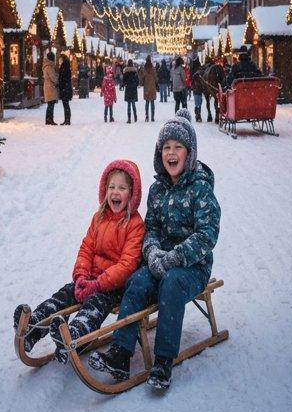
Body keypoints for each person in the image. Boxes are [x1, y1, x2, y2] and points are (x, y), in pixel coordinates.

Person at [89, 109, 220, 390]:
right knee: (137, 280)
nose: (171, 153)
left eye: (178, 147)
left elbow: (207, 235)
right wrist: (152, 254)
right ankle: (121, 353)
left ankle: (163, 361)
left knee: (171, 284)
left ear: (190, 153)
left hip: (192, 266)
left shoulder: (200, 188)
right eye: (166, 148)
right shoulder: (157, 189)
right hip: (160, 260)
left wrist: (173, 259)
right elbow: (152, 229)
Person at [13, 160, 145, 364]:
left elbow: (127, 264)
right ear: (104, 190)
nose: (115, 192)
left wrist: (99, 284)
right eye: (111, 187)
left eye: (122, 187)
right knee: (64, 295)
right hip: (89, 279)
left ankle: (75, 337)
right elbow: (86, 248)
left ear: (132, 193)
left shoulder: (135, 225)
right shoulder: (98, 218)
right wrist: (81, 276)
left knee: (93, 306)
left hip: (113, 287)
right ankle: (32, 328)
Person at [43, 51, 58, 125]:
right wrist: (57, 80)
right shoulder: (49, 67)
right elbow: (53, 77)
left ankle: (48, 119)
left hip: (48, 86)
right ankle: (50, 120)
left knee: (50, 104)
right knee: (51, 104)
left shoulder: (47, 66)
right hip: (50, 87)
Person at [123, 59, 139, 123]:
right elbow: (137, 81)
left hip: (128, 89)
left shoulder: (126, 72)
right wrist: (135, 85)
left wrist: (126, 84)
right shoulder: (135, 72)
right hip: (133, 89)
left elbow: (123, 82)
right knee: (133, 104)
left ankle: (129, 118)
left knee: (129, 105)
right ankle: (135, 117)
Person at [58, 52, 73, 125]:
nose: (59, 60)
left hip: (65, 88)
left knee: (66, 104)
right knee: (66, 104)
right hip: (66, 87)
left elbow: (63, 77)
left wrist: (60, 82)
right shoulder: (66, 66)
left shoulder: (64, 67)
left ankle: (67, 120)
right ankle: (67, 120)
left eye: (60, 58)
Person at [143, 55, 158, 122]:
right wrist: (156, 82)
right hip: (152, 86)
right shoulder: (153, 68)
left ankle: (147, 116)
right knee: (152, 102)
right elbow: (155, 77)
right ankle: (152, 117)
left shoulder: (144, 68)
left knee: (147, 102)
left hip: (146, 87)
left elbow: (142, 77)